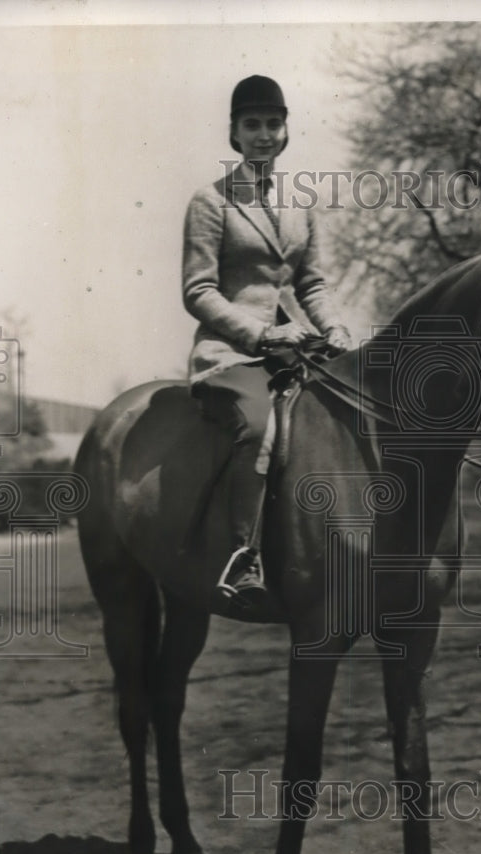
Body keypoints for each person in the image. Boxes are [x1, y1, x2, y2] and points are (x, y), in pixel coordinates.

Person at [183, 75, 351, 605]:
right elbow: (199, 290)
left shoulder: (300, 204)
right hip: (231, 354)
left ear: (286, 132)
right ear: (233, 133)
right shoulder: (210, 203)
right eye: (251, 124)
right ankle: (243, 557)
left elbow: (312, 283)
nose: (263, 134)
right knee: (261, 427)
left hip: (299, 349)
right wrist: (262, 332)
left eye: (272, 124)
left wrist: (335, 327)